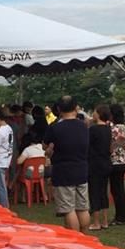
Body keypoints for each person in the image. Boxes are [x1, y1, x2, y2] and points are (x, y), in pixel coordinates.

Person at [43, 96, 90, 232]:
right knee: (82, 207)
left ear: (58, 109)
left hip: (63, 171)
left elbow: (45, 145)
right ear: (75, 108)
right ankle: (84, 235)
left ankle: (74, 237)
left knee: (68, 209)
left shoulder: (55, 128)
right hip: (81, 169)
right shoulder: (84, 126)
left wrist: (50, 149)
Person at [87, 104, 113, 231]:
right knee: (104, 191)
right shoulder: (108, 129)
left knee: (94, 192)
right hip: (106, 162)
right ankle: (105, 220)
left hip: (94, 163)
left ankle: (96, 222)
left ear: (99, 114)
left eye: (95, 112)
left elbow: (87, 145)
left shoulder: (93, 129)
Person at [108, 103, 125, 226]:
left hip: (115, 160)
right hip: (123, 160)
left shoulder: (114, 128)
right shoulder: (124, 127)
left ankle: (120, 216)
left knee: (116, 189)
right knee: (119, 188)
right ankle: (121, 215)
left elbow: (112, 145)